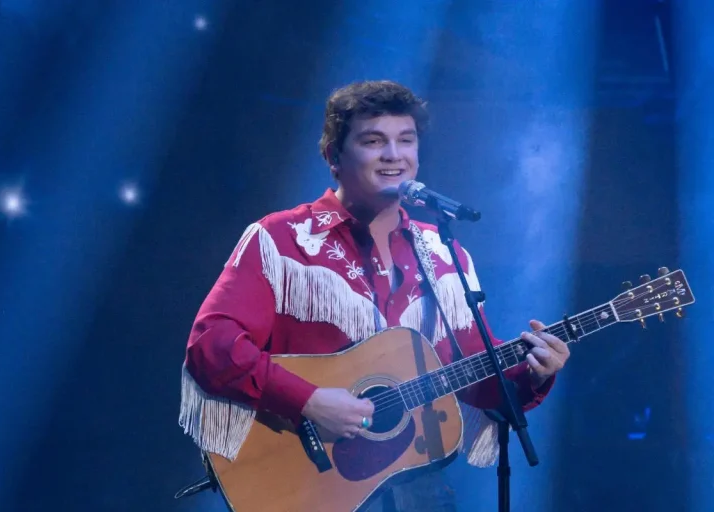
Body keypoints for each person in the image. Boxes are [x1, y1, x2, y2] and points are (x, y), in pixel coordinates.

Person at [178, 80, 570, 511]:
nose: (394, 155)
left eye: (406, 140)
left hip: (419, 487)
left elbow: (478, 381)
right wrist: (309, 401)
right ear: (334, 156)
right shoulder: (281, 240)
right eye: (373, 141)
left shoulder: (443, 254)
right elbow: (212, 346)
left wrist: (535, 372)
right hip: (309, 484)